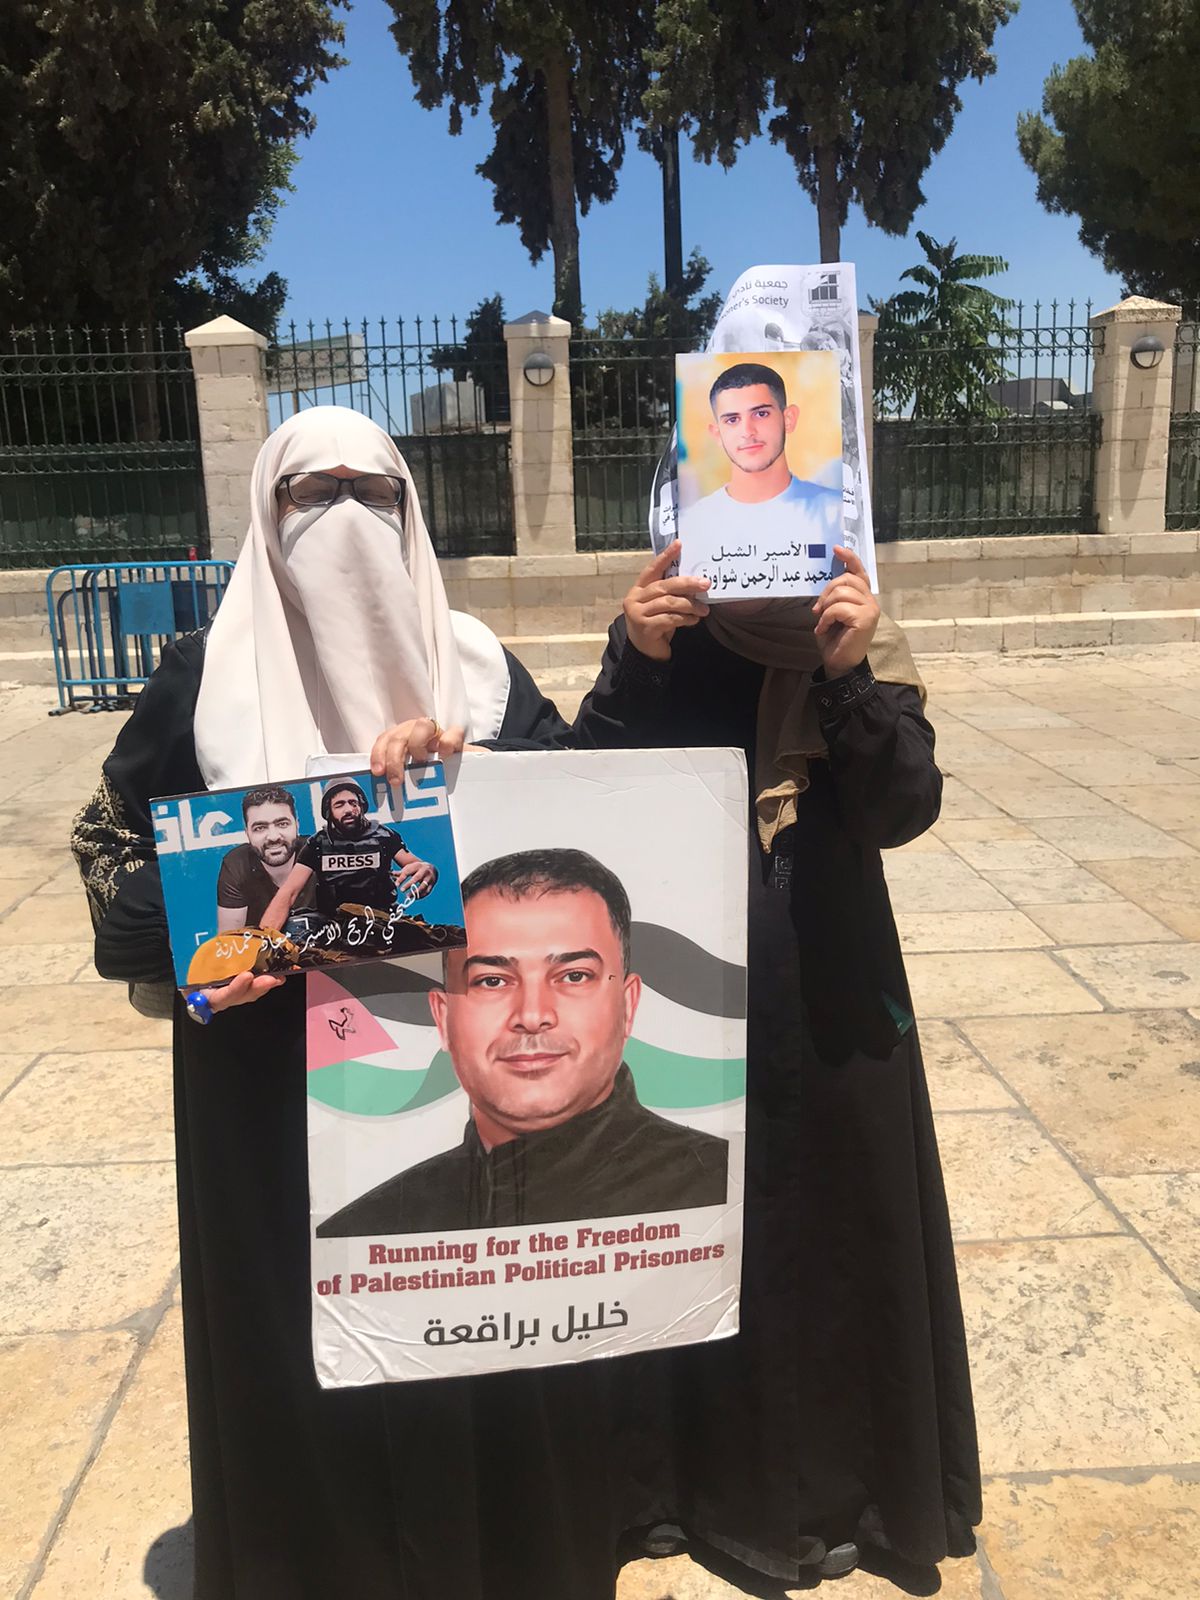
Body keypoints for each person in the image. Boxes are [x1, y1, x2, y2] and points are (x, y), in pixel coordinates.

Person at [72, 407, 645, 1600]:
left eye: (372, 492)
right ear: (264, 514)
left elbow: (582, 830)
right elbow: (111, 867)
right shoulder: (204, 680)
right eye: (310, 492)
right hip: (267, 1097)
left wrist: (474, 778)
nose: (343, 517)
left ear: (411, 511)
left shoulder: (478, 669)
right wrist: (257, 878)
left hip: (460, 1082)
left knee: (477, 1323)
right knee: (300, 1339)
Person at [570, 537, 981, 1584]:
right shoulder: (668, 632)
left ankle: (842, 1492)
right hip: (686, 994)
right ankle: (680, 1488)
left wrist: (846, 675)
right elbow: (588, 797)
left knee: (834, 1228)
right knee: (688, 1220)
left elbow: (902, 807)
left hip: (833, 994)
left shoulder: (856, 635)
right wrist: (637, 662)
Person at [317, 847, 728, 1236]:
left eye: (574, 976)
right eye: (492, 981)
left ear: (628, 1005)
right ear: (443, 1017)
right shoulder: (363, 1233)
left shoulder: (724, 1190)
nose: (532, 1016)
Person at [682, 361, 843, 551]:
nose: (747, 431)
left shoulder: (837, 515)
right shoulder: (691, 526)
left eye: (761, 414)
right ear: (717, 434)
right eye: (732, 420)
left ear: (788, 419)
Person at [259, 777, 436, 930]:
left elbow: (417, 865)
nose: (348, 809)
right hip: (333, 924)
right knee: (295, 928)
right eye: (339, 804)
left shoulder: (383, 836)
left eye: (353, 803)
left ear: (361, 806)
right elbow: (289, 892)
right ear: (329, 811)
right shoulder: (318, 843)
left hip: (380, 918)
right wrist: (265, 937)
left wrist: (429, 870)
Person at [215, 785, 314, 931]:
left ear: (297, 825)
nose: (273, 837)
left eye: (282, 824)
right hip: (261, 945)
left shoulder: (319, 852)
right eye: (260, 828)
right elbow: (230, 941)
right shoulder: (236, 865)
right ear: (247, 832)